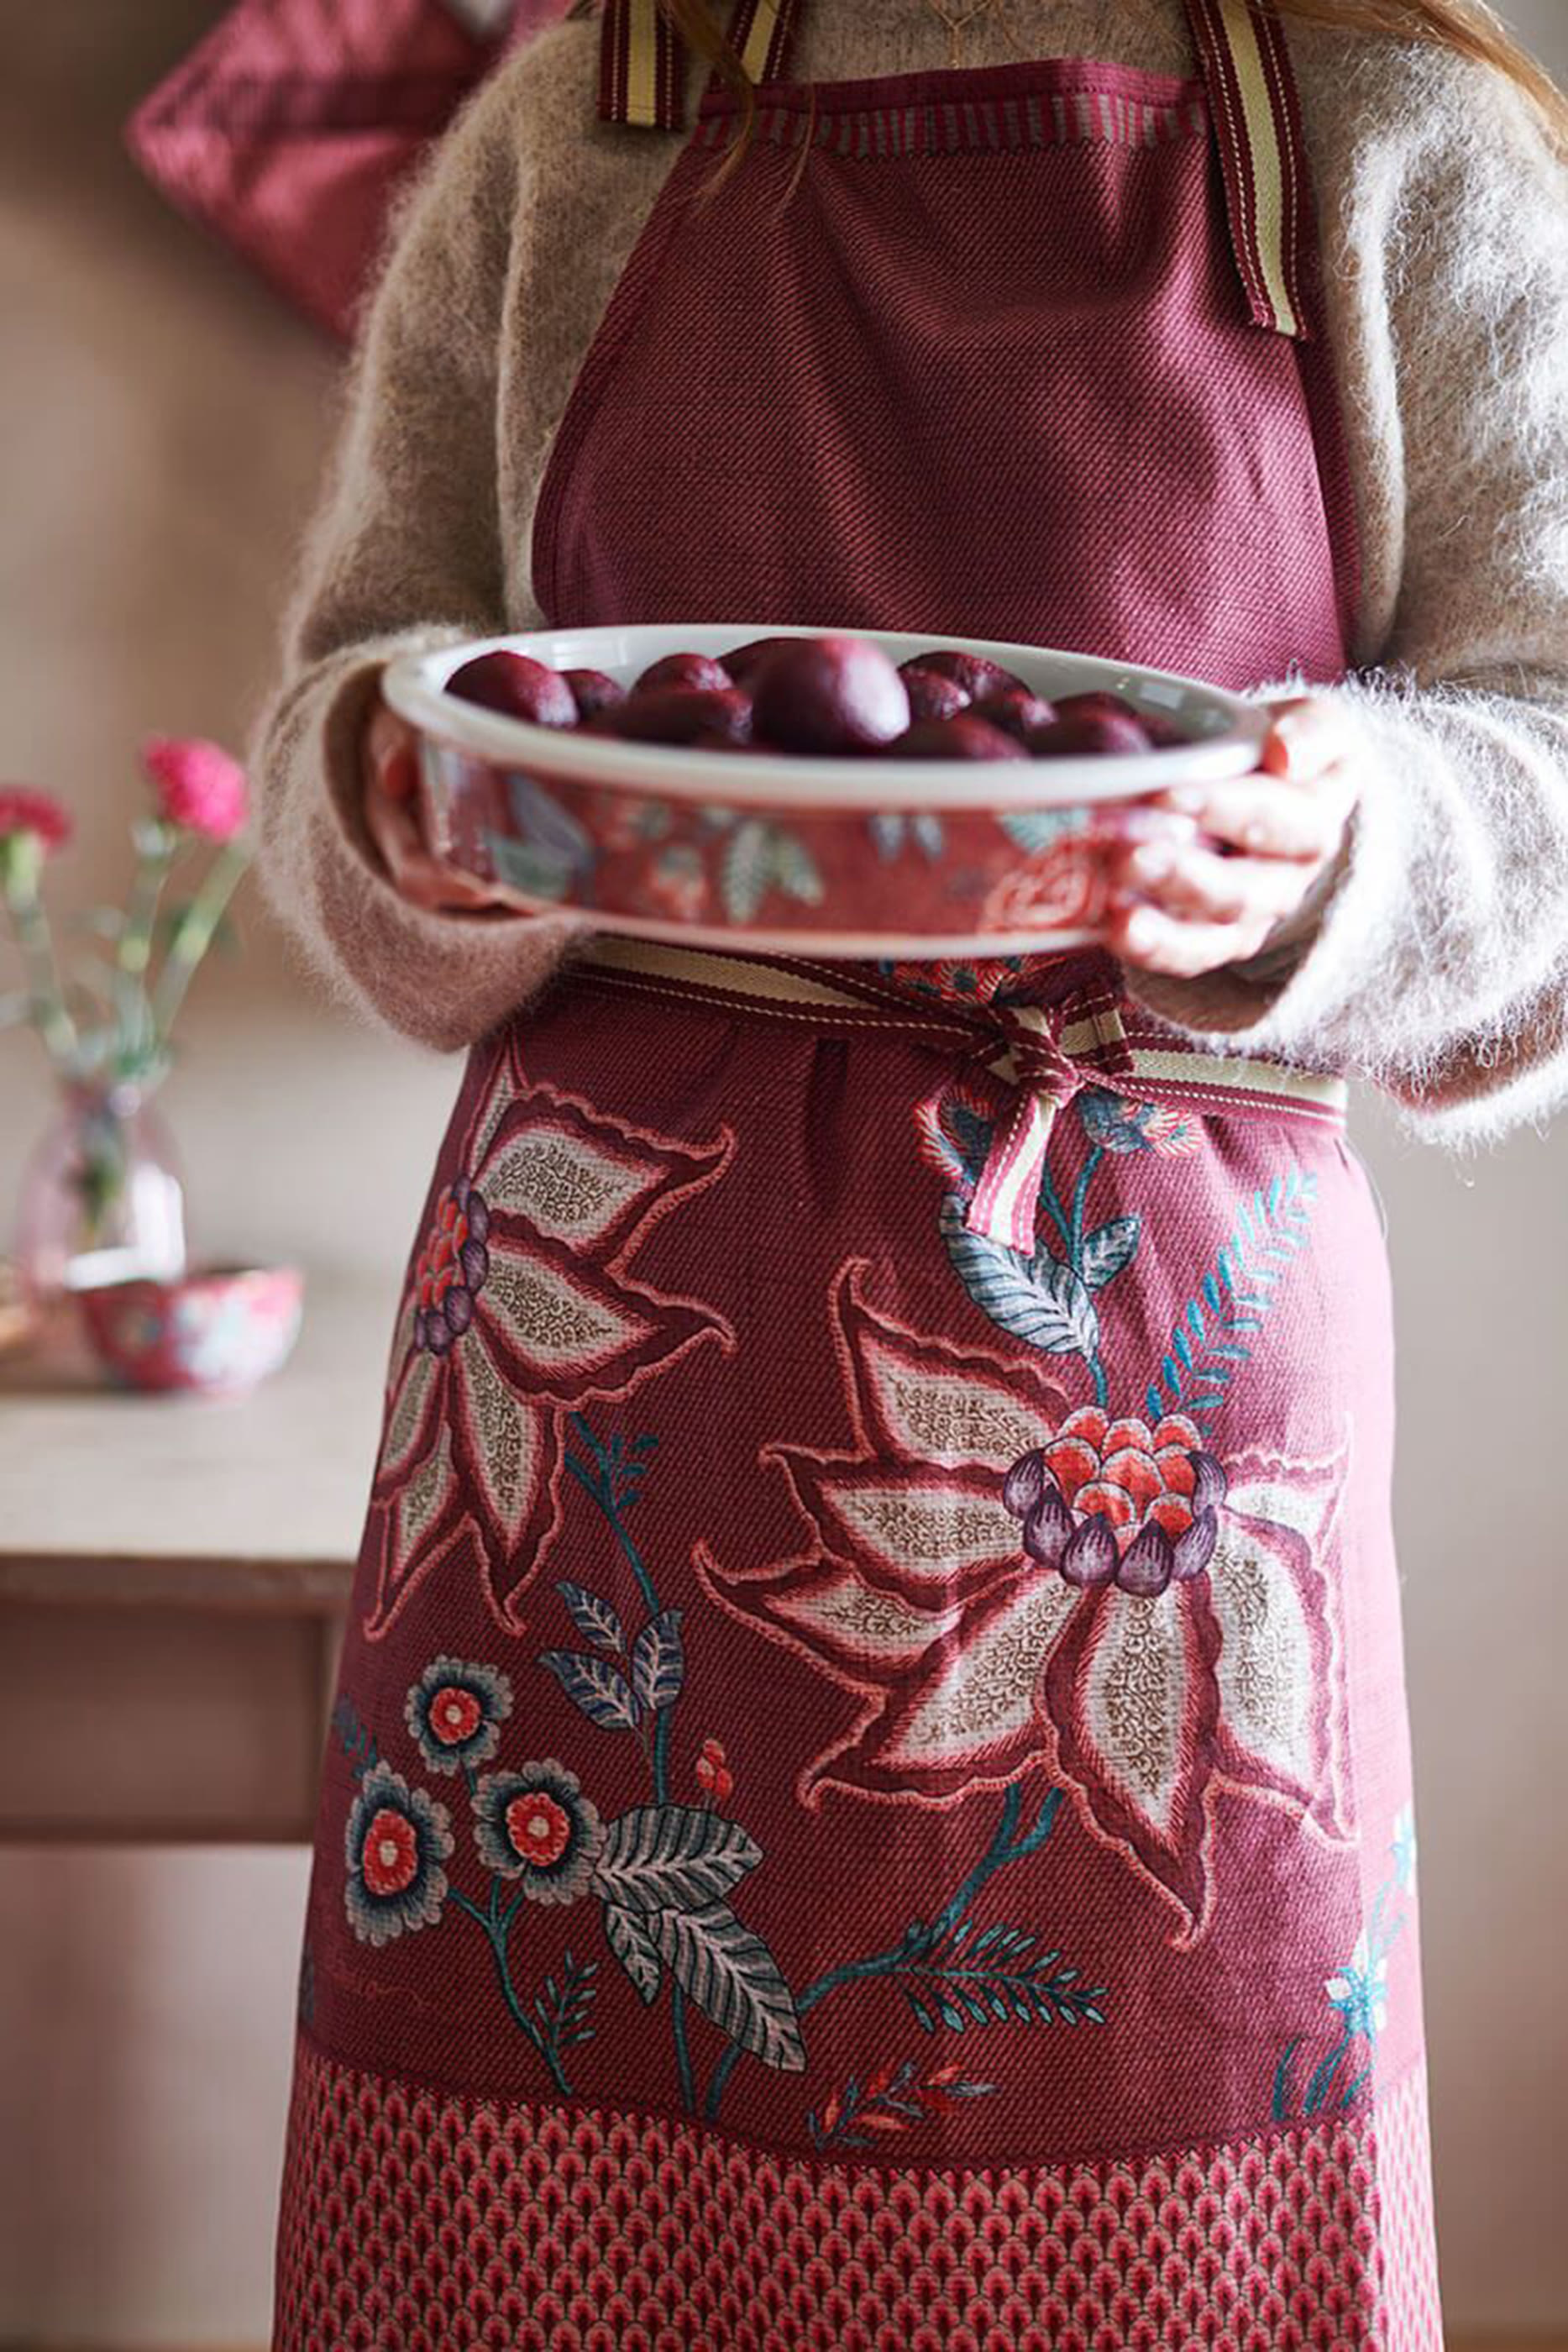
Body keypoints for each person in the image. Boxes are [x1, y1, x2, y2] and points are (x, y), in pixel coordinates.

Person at [254, 1, 1568, 2343]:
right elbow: (365, 684)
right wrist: (388, 790)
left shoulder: (1401, 138)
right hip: (590, 1382)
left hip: (1157, 1428)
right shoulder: (579, 118)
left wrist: (1342, 838)